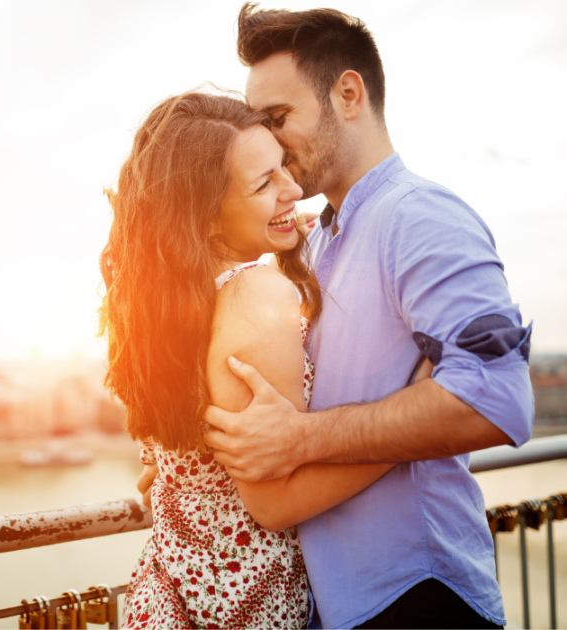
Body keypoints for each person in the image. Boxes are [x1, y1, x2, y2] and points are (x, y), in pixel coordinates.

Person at [161, 6, 532, 630]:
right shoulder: (308, 244)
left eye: (279, 120)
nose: (271, 144)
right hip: (335, 607)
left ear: (349, 94)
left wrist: (302, 439)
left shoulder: (421, 217)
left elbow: (497, 399)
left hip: (420, 595)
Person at [100, 90, 433, 630]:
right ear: (204, 217)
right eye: (264, 183)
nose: (294, 189)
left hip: (172, 593)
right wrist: (410, 430)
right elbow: (273, 506)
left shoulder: (159, 305)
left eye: (282, 168)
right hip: (243, 606)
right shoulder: (255, 295)